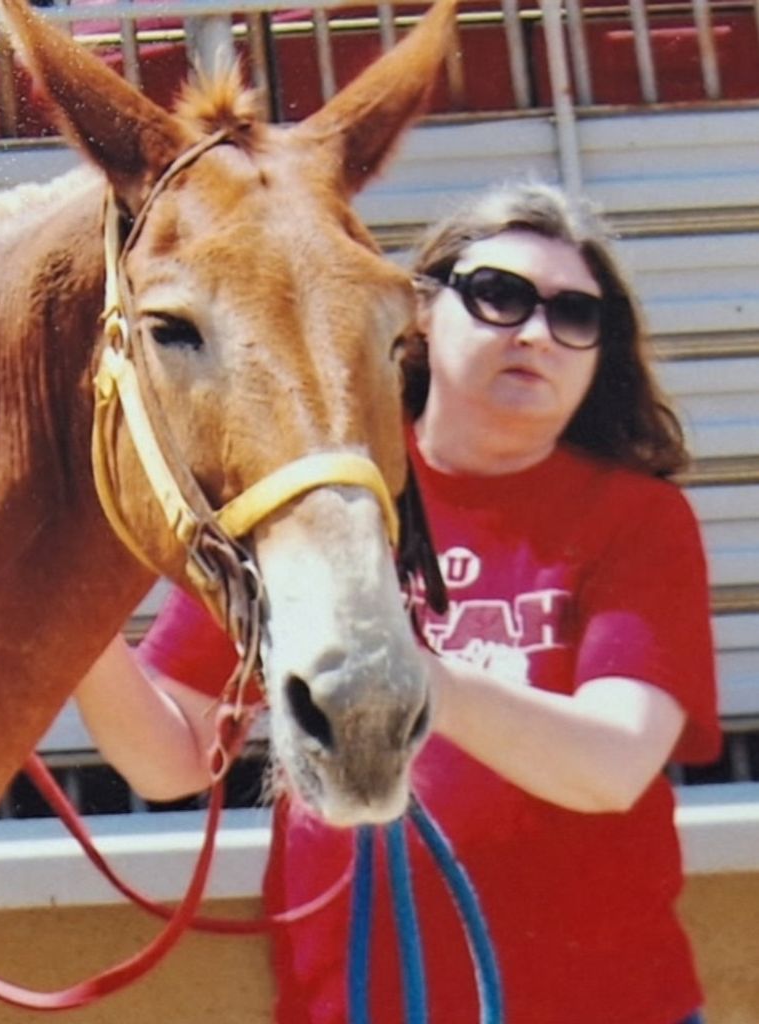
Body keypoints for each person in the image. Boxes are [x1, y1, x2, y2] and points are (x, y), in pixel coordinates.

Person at [76, 181, 720, 1024]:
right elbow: (167, 756)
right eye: (499, 296)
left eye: (574, 315)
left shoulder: (636, 519)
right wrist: (72, 623)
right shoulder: (306, 491)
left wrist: (404, 679)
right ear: (419, 310)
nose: (533, 332)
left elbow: (611, 766)